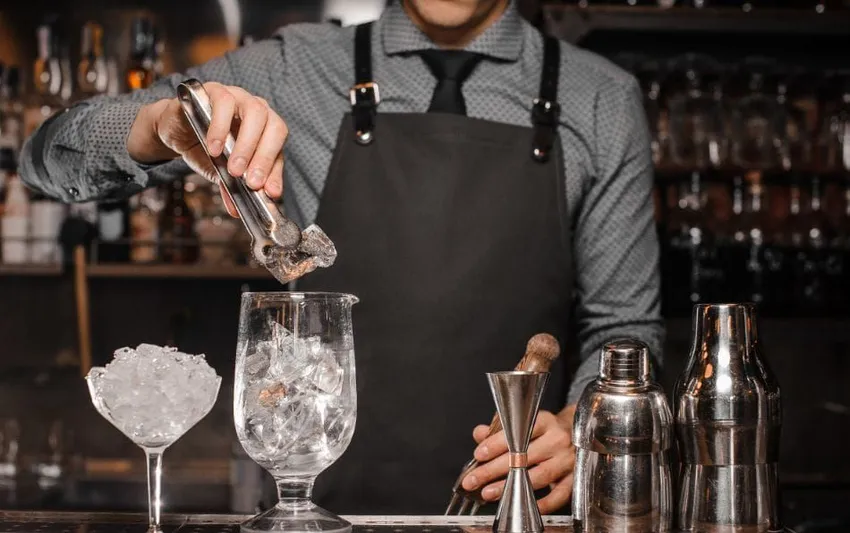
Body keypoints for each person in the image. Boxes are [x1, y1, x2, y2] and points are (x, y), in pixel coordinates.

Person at [20, 0, 664, 516]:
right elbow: (45, 158)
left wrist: (584, 427)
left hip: (515, 508)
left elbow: (625, 330)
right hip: (312, 511)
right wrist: (160, 126)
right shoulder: (292, 68)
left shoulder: (600, 98)